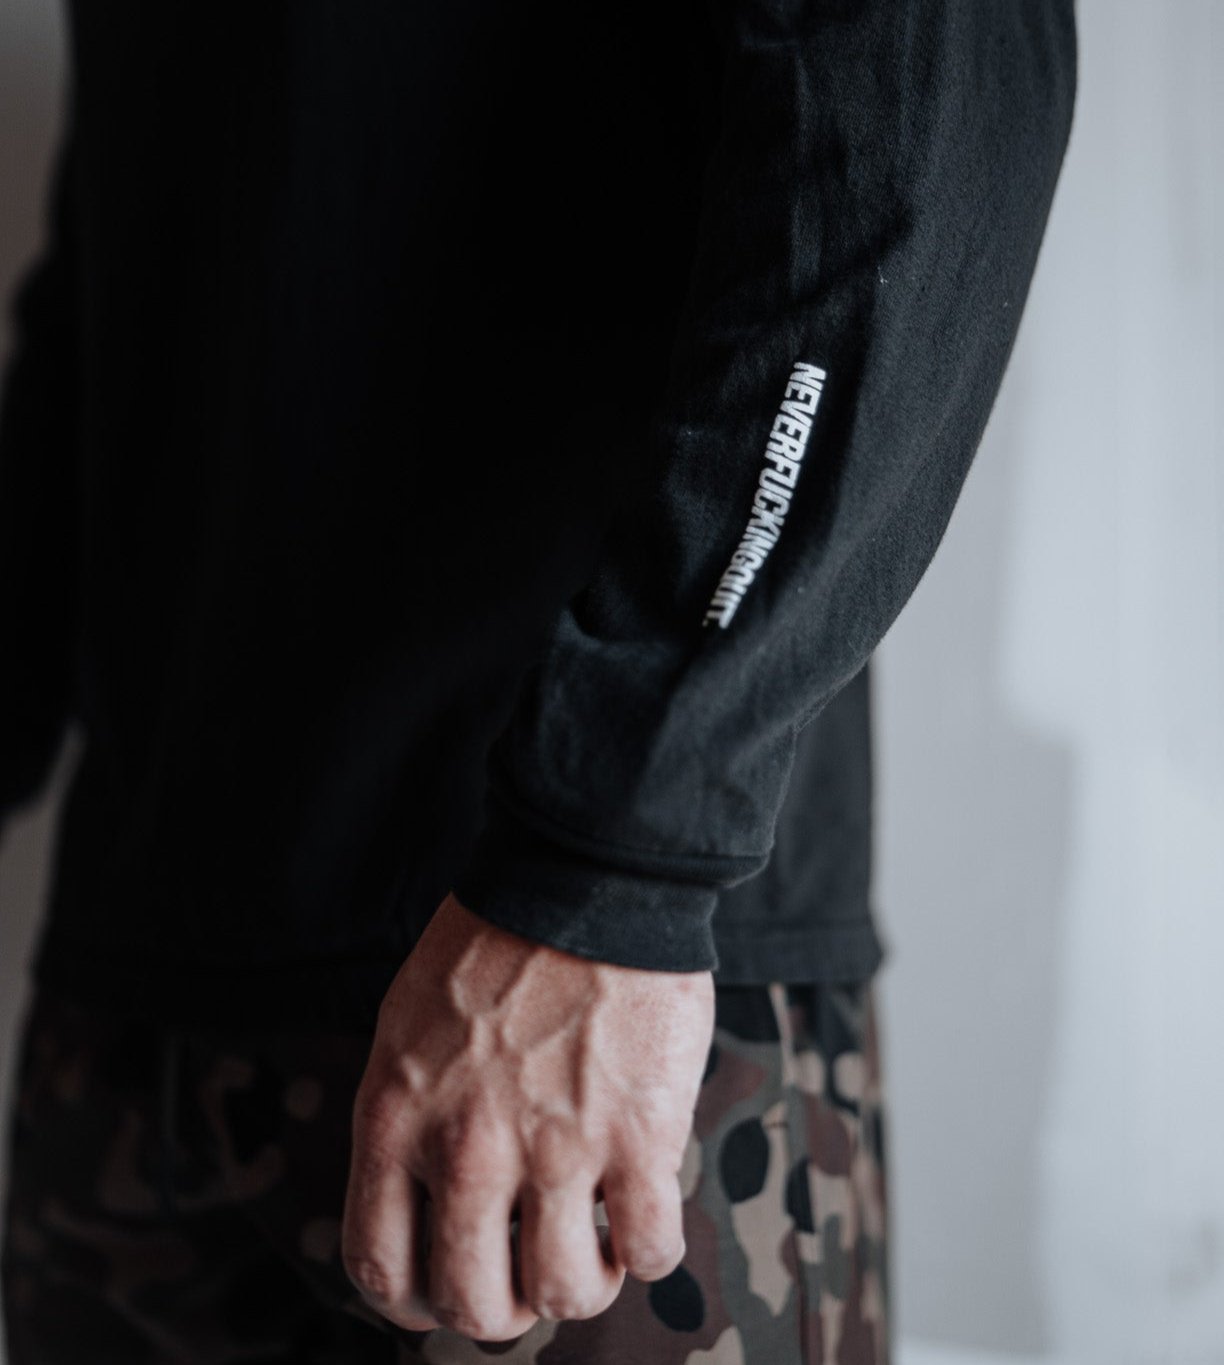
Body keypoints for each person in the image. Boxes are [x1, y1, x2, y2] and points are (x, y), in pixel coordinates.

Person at [0, 1, 1076, 1361]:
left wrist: (610, 860)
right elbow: (131, 261)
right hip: (134, 1014)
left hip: (570, 996)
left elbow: (910, 121)